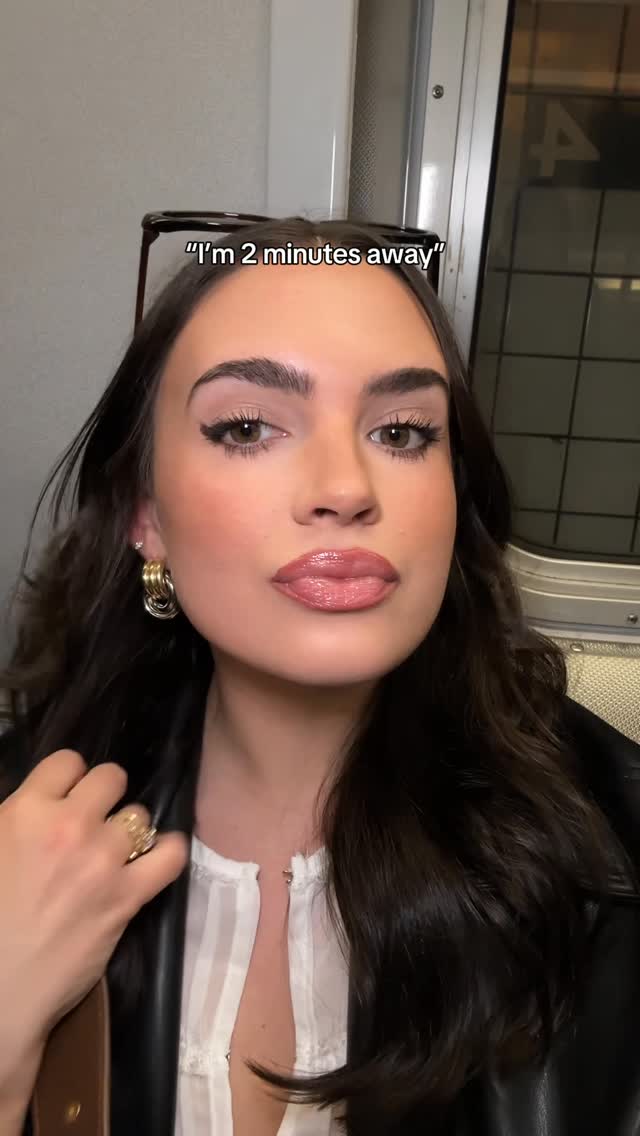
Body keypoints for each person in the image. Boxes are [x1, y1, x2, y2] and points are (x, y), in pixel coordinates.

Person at [0, 215, 639, 1136]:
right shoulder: (20, 824)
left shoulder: (614, 854)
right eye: (247, 427)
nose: (345, 488)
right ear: (148, 515)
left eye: (403, 432)